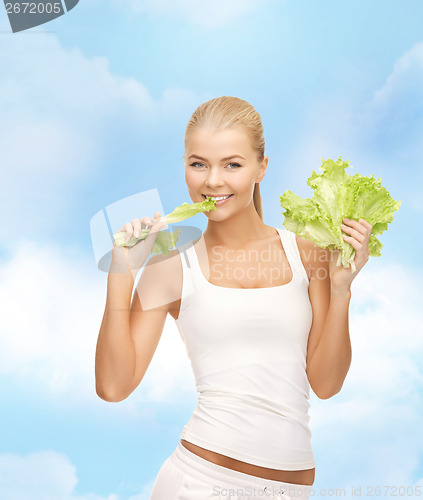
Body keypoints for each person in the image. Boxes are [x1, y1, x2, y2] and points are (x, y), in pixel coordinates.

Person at [95, 96, 373, 499]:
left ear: (262, 166)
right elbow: (113, 386)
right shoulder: (170, 269)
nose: (213, 181)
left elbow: (326, 383)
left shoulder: (308, 254)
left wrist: (342, 288)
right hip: (199, 483)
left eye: (233, 164)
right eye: (198, 164)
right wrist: (122, 272)